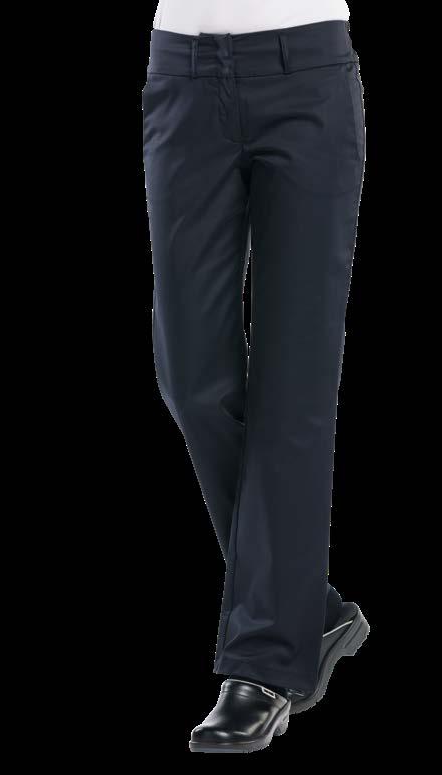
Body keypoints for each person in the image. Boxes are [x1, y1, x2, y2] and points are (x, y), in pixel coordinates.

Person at [143, 1, 369, 753]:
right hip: (181, 74)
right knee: (189, 377)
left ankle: (264, 665)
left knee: (293, 383)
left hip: (307, 76)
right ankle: (311, 611)